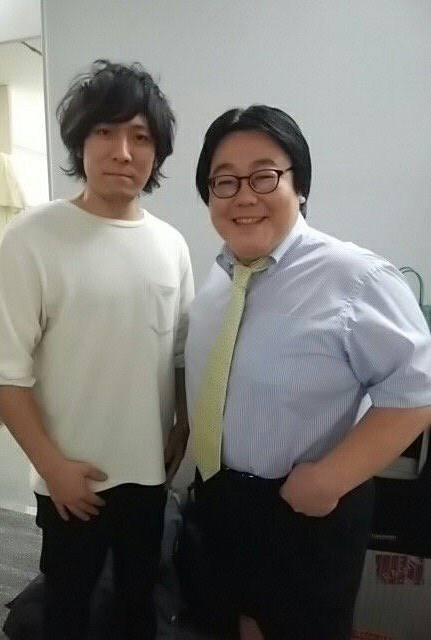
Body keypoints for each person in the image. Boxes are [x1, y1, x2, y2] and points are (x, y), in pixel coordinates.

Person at [184, 105, 431, 640]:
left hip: (303, 509)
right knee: (224, 623)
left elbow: (417, 391)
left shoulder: (357, 278)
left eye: (264, 176)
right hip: (220, 502)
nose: (243, 196)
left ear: (299, 186)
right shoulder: (221, 276)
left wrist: (328, 480)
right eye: (224, 181)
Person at [0, 59, 194, 640]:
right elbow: (2, 372)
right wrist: (52, 466)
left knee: (137, 602)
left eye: (140, 137)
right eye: (105, 131)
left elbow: (179, 351)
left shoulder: (170, 245)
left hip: (148, 475)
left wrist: (182, 424)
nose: (123, 151)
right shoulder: (32, 236)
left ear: (157, 153)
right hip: (72, 479)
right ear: (80, 142)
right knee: (67, 605)